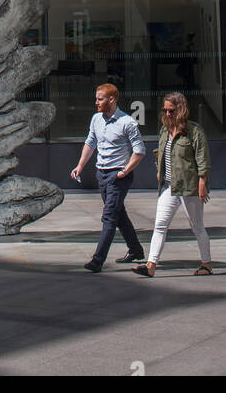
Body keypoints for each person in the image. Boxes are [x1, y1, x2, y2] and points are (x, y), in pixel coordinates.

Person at [135, 91, 212, 277]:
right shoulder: (165, 130)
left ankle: (206, 264)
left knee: (197, 227)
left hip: (188, 187)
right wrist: (159, 170)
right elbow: (161, 152)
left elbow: (202, 159)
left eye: (172, 110)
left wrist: (202, 183)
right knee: (160, 224)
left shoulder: (194, 131)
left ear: (181, 109)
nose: (168, 114)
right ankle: (151, 265)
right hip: (169, 186)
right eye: (165, 110)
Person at [71, 83, 146, 272]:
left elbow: (139, 151)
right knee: (119, 213)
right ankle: (136, 250)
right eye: (96, 98)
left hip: (118, 175)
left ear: (111, 100)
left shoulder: (127, 122)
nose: (96, 102)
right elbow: (90, 143)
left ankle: (97, 260)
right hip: (101, 173)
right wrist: (80, 165)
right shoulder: (96, 119)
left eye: (100, 99)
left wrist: (125, 171)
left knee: (109, 217)